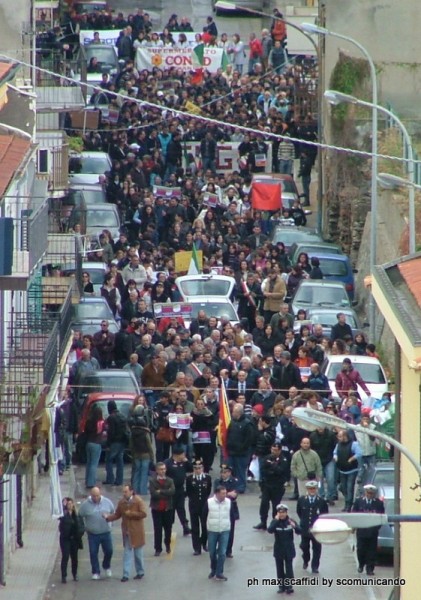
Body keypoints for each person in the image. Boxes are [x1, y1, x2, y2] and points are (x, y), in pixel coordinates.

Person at [105, 484, 147, 582]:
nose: (124, 494)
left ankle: (140, 572)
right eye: (123, 492)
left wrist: (131, 514)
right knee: (127, 553)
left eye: (126, 491)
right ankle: (125, 574)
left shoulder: (138, 501)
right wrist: (108, 518)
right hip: (127, 531)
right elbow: (117, 514)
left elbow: (143, 513)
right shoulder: (122, 502)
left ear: (131, 491)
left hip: (136, 532)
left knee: (138, 554)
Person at [79, 486, 115, 580]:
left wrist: (109, 518)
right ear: (91, 495)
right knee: (93, 552)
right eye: (94, 496)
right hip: (93, 534)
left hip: (106, 532)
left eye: (97, 496)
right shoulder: (85, 505)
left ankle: (106, 565)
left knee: (109, 550)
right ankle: (95, 571)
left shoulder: (107, 502)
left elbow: (113, 512)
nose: (96, 498)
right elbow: (80, 515)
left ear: (100, 494)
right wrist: (84, 527)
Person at [254, 441, 289, 531]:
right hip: (267, 485)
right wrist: (273, 470)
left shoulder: (283, 460)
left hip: (277, 486)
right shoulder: (267, 458)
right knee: (264, 504)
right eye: (273, 449)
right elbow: (263, 470)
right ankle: (263, 522)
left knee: (276, 506)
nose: (274, 452)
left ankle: (275, 522)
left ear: (280, 450)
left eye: (276, 450)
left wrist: (272, 465)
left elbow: (281, 471)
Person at [267, 503, 301, 595]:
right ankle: (281, 586)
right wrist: (275, 520)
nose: (282, 514)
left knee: (289, 568)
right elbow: (270, 530)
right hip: (279, 548)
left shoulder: (290, 521)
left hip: (289, 548)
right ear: (277, 513)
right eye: (280, 512)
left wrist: (295, 526)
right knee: (280, 568)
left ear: (286, 513)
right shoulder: (275, 522)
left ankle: (289, 586)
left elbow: (299, 531)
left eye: (283, 512)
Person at [352, 484, 385, 575]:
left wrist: (376, 527)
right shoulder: (359, 502)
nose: (370, 495)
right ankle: (361, 564)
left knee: (372, 551)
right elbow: (354, 515)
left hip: (372, 531)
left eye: (371, 493)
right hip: (362, 530)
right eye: (368, 493)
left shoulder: (378, 503)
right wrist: (354, 526)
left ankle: (370, 568)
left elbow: (381, 517)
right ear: (365, 492)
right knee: (361, 549)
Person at [296, 481, 329, 574]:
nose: (312, 490)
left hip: (317, 529)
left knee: (317, 548)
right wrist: (304, 522)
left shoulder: (321, 501)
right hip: (305, 528)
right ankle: (306, 560)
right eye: (310, 489)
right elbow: (299, 512)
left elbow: (325, 515)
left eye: (314, 488)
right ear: (307, 489)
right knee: (304, 547)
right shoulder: (302, 500)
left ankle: (315, 566)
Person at [226, 403, 255, 493]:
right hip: (232, 452)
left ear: (238, 413)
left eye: (234, 412)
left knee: (240, 471)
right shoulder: (233, 422)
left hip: (242, 453)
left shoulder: (247, 424)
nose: (232, 413)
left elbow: (249, 439)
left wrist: (241, 448)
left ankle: (241, 487)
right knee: (231, 470)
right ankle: (232, 486)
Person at [185, 459, 212, 555]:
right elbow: (188, 492)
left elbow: (208, 491)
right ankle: (196, 548)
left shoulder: (207, 478)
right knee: (195, 527)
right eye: (195, 468)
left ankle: (204, 543)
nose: (197, 470)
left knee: (205, 526)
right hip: (193, 506)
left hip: (204, 506)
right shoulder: (189, 479)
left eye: (199, 468)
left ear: (203, 468)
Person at [164, 445, 193, 536]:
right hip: (170, 490)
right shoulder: (167, 463)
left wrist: (187, 461)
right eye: (182, 454)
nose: (184, 455)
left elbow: (191, 468)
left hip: (180, 490)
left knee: (181, 509)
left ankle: (185, 527)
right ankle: (168, 527)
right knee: (171, 510)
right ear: (176, 455)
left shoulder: (183, 462)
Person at [205, 485, 231, 581]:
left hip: (224, 530)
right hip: (212, 530)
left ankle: (219, 572)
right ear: (217, 493)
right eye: (223, 493)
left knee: (222, 552)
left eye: (225, 493)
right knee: (212, 552)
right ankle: (213, 569)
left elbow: (231, 515)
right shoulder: (209, 502)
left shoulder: (228, 502)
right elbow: (204, 516)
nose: (225, 495)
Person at [213, 464, 240, 558]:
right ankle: (220, 548)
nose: (223, 474)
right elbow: (216, 494)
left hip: (231, 508)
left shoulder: (234, 481)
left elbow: (235, 495)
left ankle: (229, 550)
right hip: (219, 507)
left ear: (229, 473)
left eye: (225, 472)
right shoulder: (217, 481)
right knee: (219, 528)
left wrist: (223, 494)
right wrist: (228, 493)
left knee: (230, 530)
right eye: (222, 472)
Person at [149, 462, 175, 556]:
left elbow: (172, 492)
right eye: (160, 469)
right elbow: (153, 494)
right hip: (156, 509)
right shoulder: (152, 481)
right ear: (156, 470)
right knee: (158, 529)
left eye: (164, 469)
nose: (163, 471)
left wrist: (160, 491)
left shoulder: (170, 480)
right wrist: (166, 492)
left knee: (168, 528)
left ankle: (167, 544)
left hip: (168, 508)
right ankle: (158, 548)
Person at [333, 429, 362, 512]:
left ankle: (348, 505)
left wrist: (351, 459)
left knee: (350, 488)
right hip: (342, 469)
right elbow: (335, 452)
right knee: (343, 487)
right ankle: (347, 502)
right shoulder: (338, 444)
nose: (338, 438)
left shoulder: (354, 444)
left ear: (345, 436)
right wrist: (335, 456)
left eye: (340, 436)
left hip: (352, 470)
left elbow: (359, 453)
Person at [59, 497, 85, 583]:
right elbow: (61, 527)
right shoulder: (63, 516)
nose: (70, 506)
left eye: (71, 504)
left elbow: (81, 526)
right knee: (65, 557)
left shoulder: (76, 515)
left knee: (74, 558)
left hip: (74, 539)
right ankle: (64, 575)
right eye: (68, 504)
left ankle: (75, 574)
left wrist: (78, 534)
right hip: (65, 539)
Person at [129, 405, 154, 496]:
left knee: (136, 472)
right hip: (145, 455)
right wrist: (152, 457)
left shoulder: (133, 432)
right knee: (144, 474)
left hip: (136, 454)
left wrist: (132, 454)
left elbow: (131, 445)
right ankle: (142, 491)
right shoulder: (145, 433)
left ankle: (134, 491)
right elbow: (149, 446)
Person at [103, 400, 129, 487]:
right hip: (122, 441)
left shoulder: (111, 418)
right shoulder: (123, 416)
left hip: (114, 442)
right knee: (120, 460)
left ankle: (110, 479)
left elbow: (111, 432)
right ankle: (119, 480)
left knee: (109, 460)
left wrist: (108, 444)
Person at [84, 404, 105, 489]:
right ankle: (91, 482)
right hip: (96, 443)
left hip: (88, 443)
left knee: (89, 463)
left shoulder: (89, 421)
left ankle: (87, 480)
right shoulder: (100, 422)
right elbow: (100, 432)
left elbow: (85, 432)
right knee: (94, 464)